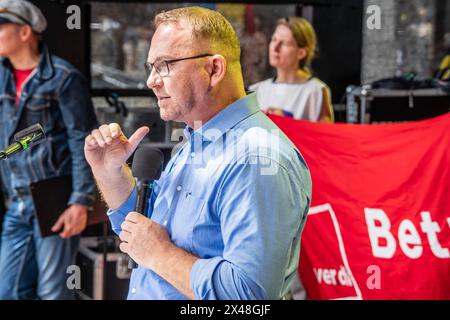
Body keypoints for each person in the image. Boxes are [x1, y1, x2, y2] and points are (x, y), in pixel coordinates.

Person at [85, 6, 312, 300]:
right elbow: (147, 231)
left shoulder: (257, 159)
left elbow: (249, 297)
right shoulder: (198, 139)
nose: (151, 80)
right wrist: (109, 172)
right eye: (151, 67)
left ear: (214, 69)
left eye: (165, 65)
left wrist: (159, 254)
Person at [0, 0, 98, 299]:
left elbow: (83, 139)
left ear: (25, 31)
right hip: (15, 202)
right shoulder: (2, 78)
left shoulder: (63, 78)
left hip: (53, 201)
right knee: (9, 291)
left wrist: (80, 201)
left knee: (53, 293)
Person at [249, 16, 334, 123]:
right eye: (274, 40)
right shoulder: (256, 90)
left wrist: (286, 119)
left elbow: (324, 136)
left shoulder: (315, 91)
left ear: (301, 53)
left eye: (284, 43)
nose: (275, 48)